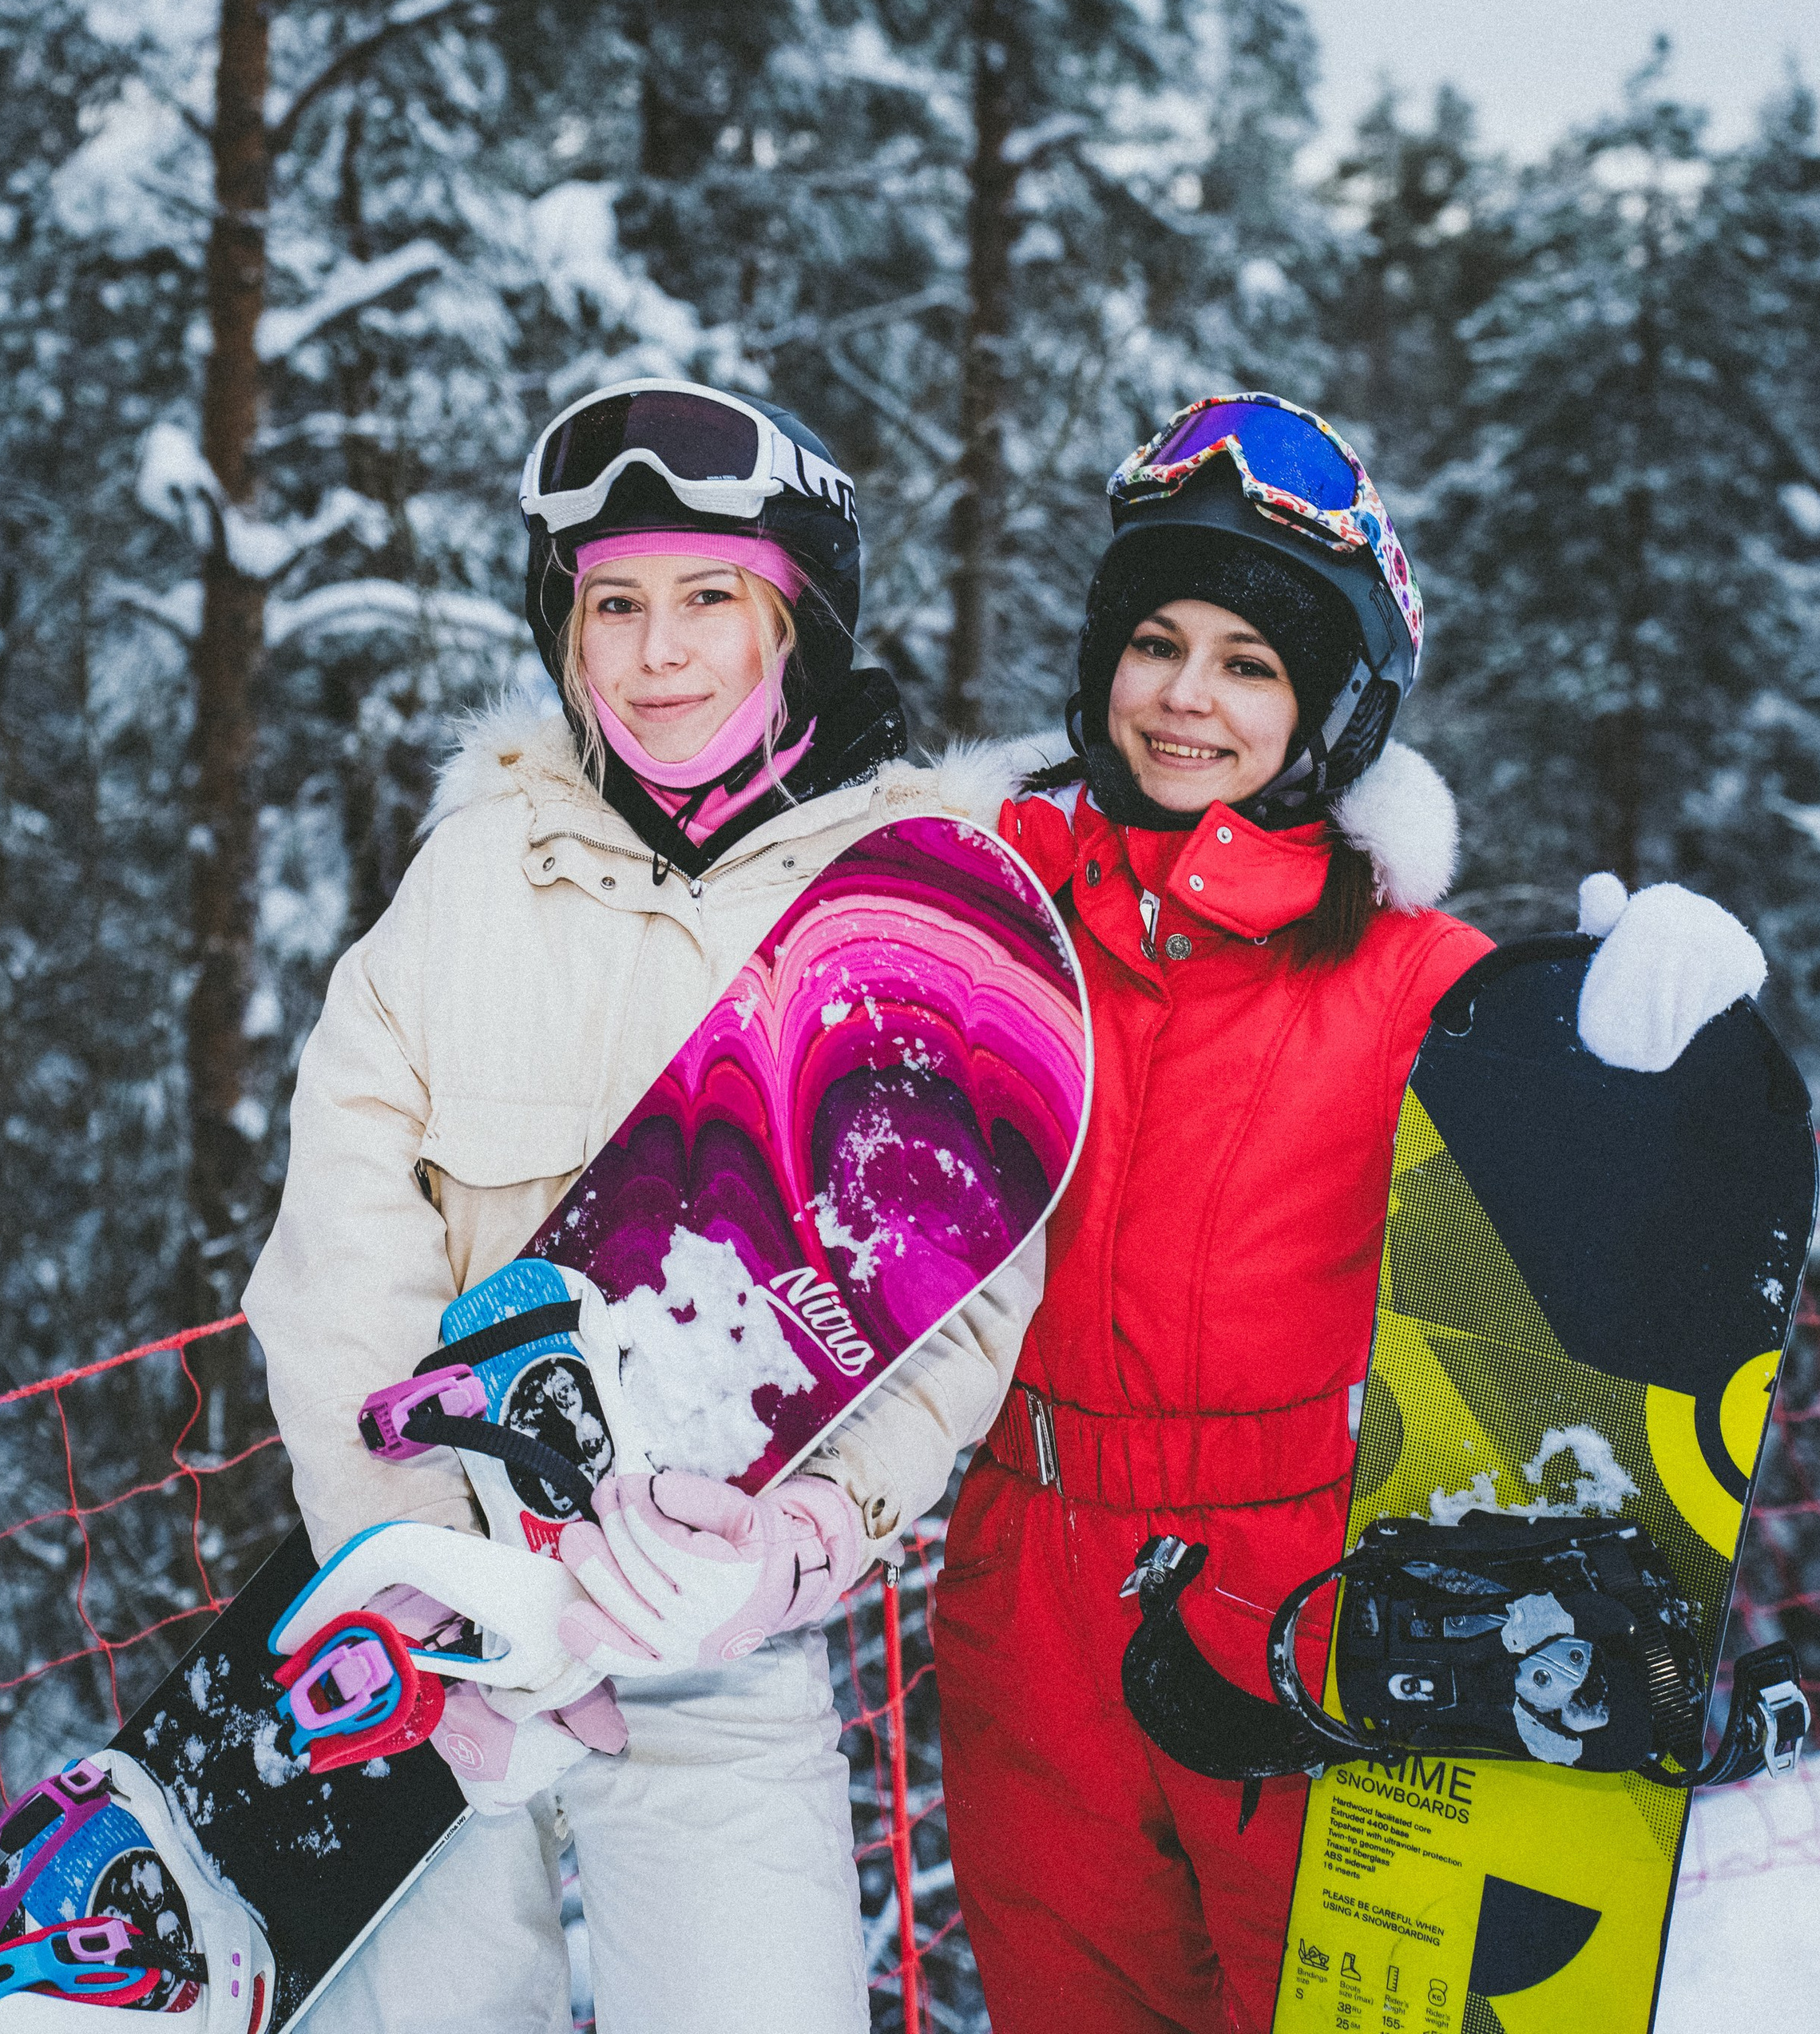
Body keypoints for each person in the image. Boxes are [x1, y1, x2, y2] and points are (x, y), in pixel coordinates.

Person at [244, 381, 1033, 2034]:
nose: (655, 653)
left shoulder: (901, 908)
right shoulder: (473, 880)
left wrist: (815, 1538)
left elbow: (964, 1290)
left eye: (705, 601)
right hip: (439, 1627)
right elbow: (337, 1253)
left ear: (790, 624)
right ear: (565, 629)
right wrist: (406, 1573)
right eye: (613, 604)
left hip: (708, 1622)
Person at [931, 390, 1491, 2034]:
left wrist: (1633, 1064)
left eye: (1247, 664)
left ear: (1325, 710)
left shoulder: (1417, 982)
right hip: (1025, 1576)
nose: (1183, 698)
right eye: (1153, 642)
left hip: (1302, 1585)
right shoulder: (983, 929)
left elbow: (1583, 1282)